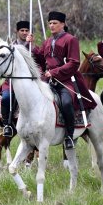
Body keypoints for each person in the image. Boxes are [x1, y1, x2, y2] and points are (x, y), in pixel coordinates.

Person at [28, 11, 94, 150]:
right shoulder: (47, 41)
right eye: (50, 23)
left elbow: (74, 63)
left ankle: (69, 135)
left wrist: (54, 72)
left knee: (66, 101)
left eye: (55, 23)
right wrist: (32, 46)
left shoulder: (71, 39)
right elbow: (41, 59)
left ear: (63, 24)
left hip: (66, 80)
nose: (51, 26)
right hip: (47, 79)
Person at [0, 20, 36, 137]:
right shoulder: (10, 46)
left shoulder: (32, 47)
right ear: (17, 31)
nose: (25, 33)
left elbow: (40, 57)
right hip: (11, 82)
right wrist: (26, 45)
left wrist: (32, 45)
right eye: (22, 31)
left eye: (27, 31)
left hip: (29, 83)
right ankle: (7, 125)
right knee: (6, 98)